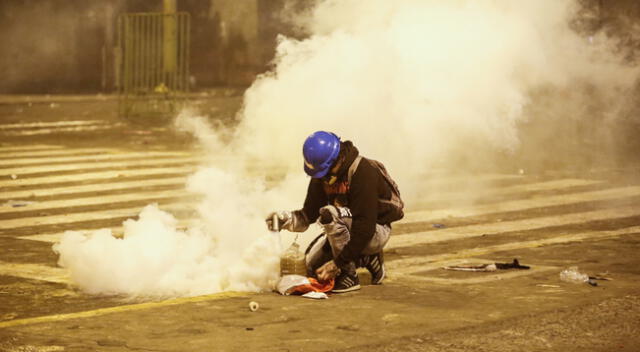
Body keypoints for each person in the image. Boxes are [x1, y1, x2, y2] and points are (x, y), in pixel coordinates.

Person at [266, 131, 404, 293]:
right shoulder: (322, 174)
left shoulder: (362, 172)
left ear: (336, 161)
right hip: (350, 228)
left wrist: (337, 264)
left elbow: (365, 228)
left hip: (375, 231)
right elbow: (308, 215)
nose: (322, 179)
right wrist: (287, 219)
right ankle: (368, 258)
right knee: (311, 270)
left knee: (329, 214)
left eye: (323, 173)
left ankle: (349, 275)